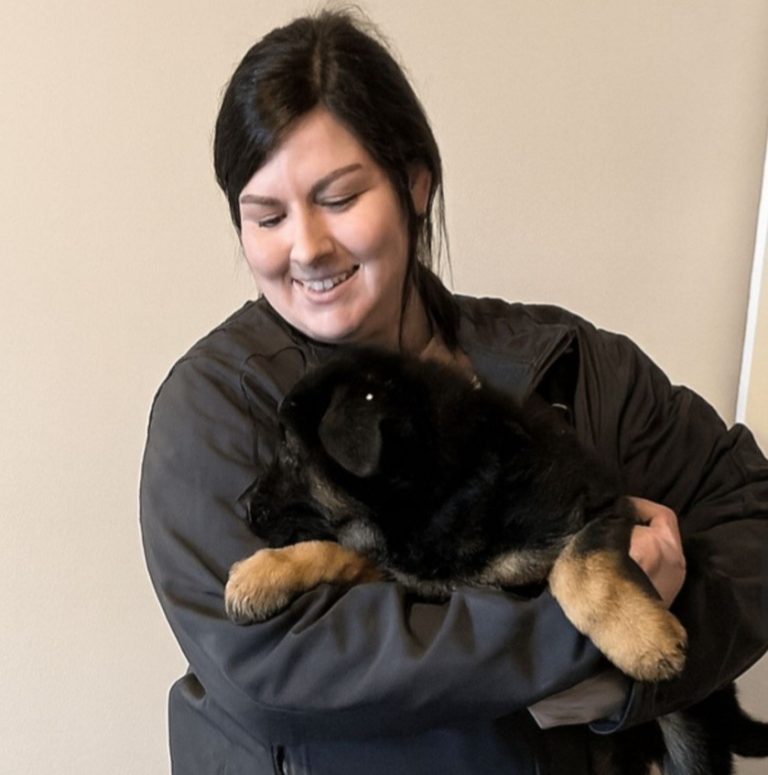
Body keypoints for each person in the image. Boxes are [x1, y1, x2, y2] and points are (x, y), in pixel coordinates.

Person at [140, 10, 768, 774]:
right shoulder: (215, 407)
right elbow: (282, 668)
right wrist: (579, 644)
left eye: (338, 198)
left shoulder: (569, 360)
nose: (305, 246)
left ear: (414, 183)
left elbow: (751, 515)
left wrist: (627, 687)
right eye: (266, 216)